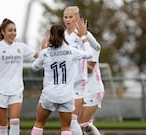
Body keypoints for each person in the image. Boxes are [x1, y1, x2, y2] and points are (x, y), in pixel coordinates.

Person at [30, 24, 92, 135]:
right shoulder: (71, 51)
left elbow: (34, 68)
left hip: (49, 95)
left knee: (39, 124)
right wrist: (83, 38)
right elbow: (90, 54)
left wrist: (42, 51)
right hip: (66, 96)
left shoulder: (45, 52)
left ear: (51, 35)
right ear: (63, 35)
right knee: (66, 128)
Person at [62, 6, 101, 135]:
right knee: (78, 124)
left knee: (74, 122)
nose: (68, 20)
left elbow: (97, 47)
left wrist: (84, 36)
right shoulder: (62, 36)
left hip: (85, 85)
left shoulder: (83, 38)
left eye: (71, 17)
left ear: (77, 19)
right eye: (65, 17)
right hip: (69, 84)